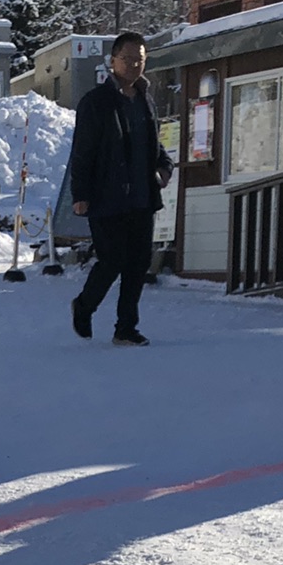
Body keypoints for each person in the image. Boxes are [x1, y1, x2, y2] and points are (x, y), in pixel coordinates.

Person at [65, 31, 172, 348]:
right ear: (112, 62)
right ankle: (84, 305)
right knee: (112, 260)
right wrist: (80, 194)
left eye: (140, 58)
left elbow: (154, 143)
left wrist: (164, 167)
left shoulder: (144, 99)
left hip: (142, 196)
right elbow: (82, 151)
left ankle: (126, 327)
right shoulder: (96, 102)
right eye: (127, 58)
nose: (134, 64)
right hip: (106, 196)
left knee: (138, 264)